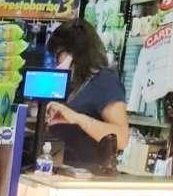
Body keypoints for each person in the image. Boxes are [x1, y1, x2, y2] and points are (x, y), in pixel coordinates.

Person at [45, 20, 129, 170]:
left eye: (58, 53)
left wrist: (77, 118)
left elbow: (121, 138)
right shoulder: (72, 83)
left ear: (73, 52)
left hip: (89, 173)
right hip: (60, 169)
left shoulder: (105, 81)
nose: (56, 61)